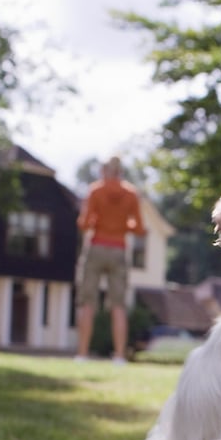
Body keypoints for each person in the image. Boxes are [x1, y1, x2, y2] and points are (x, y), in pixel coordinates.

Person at [75, 156, 146, 364]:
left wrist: (97, 221)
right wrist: (123, 225)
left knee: (87, 303)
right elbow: (139, 228)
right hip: (119, 249)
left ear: (104, 171)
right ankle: (119, 356)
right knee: (119, 306)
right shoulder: (131, 194)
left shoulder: (95, 191)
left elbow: (84, 224)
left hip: (96, 246)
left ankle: (82, 354)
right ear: (120, 172)